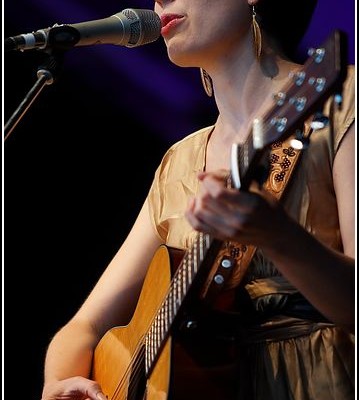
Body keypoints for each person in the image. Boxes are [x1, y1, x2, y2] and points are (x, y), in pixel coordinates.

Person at [40, 0, 355, 399]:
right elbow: (83, 328)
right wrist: (58, 383)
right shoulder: (179, 162)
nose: (161, 1)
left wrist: (279, 236)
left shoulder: (342, 98)